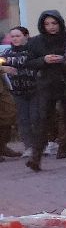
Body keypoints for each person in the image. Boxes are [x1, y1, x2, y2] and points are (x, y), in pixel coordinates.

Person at [27, 10, 66, 167]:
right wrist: (44, 60)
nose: (51, 27)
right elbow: (29, 62)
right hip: (46, 85)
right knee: (43, 120)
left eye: (54, 23)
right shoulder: (36, 41)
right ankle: (35, 158)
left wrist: (64, 60)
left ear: (60, 23)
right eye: (47, 24)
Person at [2, 27, 41, 171]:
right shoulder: (7, 53)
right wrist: (3, 67)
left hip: (35, 90)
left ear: (26, 36)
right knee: (23, 120)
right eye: (12, 36)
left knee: (36, 118)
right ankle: (28, 147)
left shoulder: (32, 51)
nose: (15, 39)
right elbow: (0, 63)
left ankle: (40, 146)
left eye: (18, 36)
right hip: (17, 92)